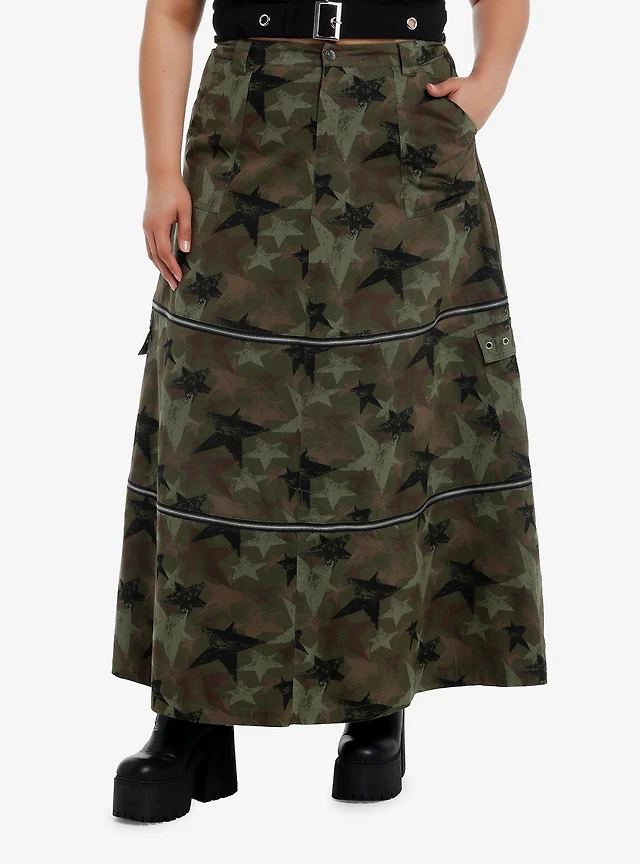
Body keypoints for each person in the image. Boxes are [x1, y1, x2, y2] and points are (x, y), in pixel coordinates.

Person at [111, 0, 546, 821]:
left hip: (404, 123)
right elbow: (171, 15)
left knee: (389, 409)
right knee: (210, 414)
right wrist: (161, 173)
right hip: (246, 115)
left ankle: (378, 699)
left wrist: (489, 82)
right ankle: (191, 713)